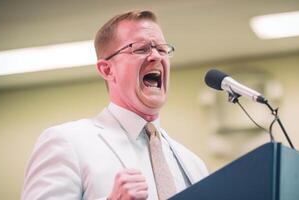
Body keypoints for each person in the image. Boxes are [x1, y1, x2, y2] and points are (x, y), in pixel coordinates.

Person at [22, 10, 208, 200]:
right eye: (141, 49)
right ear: (107, 69)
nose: (156, 57)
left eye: (162, 49)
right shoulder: (66, 142)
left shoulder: (193, 164)